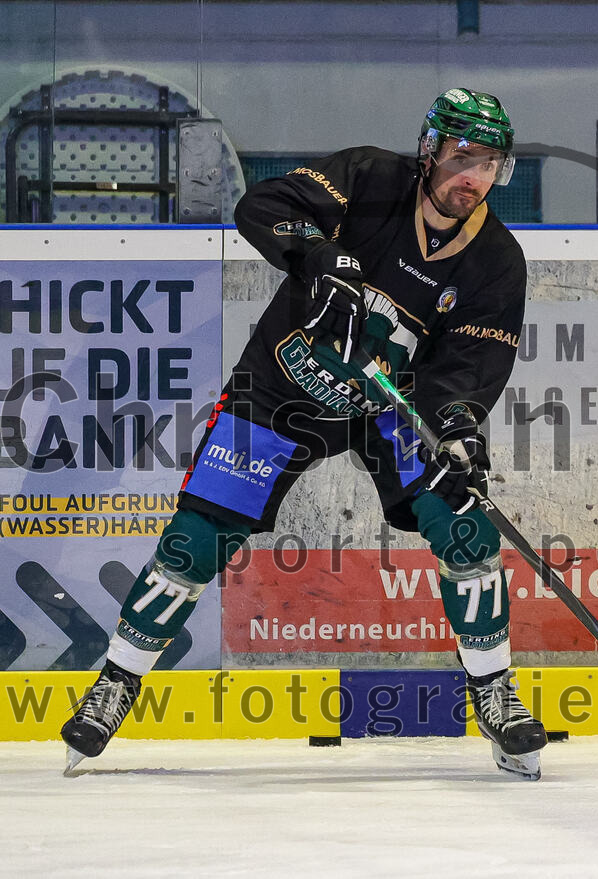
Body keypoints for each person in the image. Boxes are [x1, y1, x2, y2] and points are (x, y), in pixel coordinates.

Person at [61, 87, 547, 780]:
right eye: (461, 156)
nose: (472, 177)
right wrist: (319, 254)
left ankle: (495, 693)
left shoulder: (496, 259)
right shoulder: (370, 179)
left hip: (389, 404)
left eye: (489, 163)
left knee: (465, 522)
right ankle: (117, 681)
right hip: (281, 388)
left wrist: (459, 431)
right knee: (195, 538)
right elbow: (260, 206)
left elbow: (466, 368)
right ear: (429, 149)